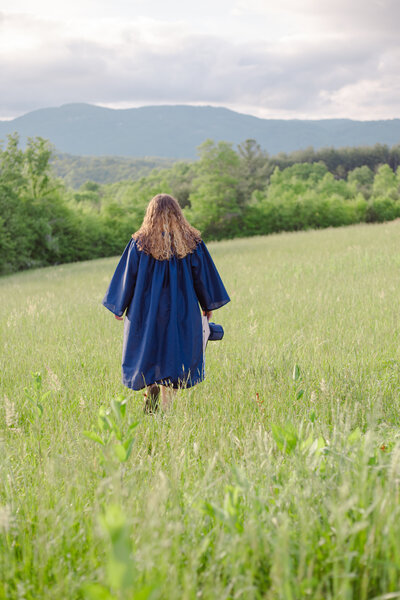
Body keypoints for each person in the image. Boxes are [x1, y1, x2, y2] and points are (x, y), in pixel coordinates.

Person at [102, 193, 230, 412]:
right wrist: (207, 305)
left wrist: (119, 306)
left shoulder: (140, 243)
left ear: (150, 214)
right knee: (173, 352)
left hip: (146, 310)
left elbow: (127, 276)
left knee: (149, 349)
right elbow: (203, 277)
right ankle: (167, 408)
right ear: (178, 213)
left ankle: (152, 397)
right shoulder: (192, 242)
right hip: (181, 309)